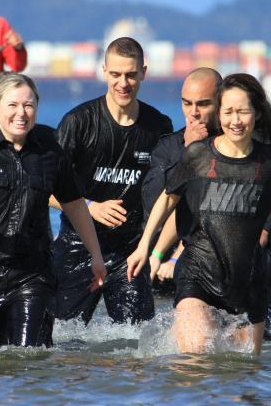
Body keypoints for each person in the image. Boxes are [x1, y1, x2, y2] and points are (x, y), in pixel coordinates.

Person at [0, 73, 106, 352]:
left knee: (30, 357)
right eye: (12, 105)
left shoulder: (50, 151)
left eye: (28, 105)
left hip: (32, 275)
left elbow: (74, 205)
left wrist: (96, 256)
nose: (21, 114)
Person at [127, 73, 271, 355]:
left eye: (243, 111)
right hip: (198, 274)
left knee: (242, 374)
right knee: (197, 359)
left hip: (248, 282)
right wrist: (146, 249)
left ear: (256, 113)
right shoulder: (198, 155)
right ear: (219, 115)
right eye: (228, 112)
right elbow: (169, 199)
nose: (235, 120)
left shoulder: (269, 162)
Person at [52, 37, 173, 326]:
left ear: (143, 72)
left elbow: (171, 192)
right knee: (60, 339)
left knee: (137, 343)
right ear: (104, 71)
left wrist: (153, 250)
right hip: (77, 245)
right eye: (116, 74)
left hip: (128, 252)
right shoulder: (78, 122)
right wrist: (89, 207)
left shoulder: (158, 127)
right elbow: (44, 188)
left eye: (131, 74)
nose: (123, 83)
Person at [142, 68, 222, 283]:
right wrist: (188, 151)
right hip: (166, 259)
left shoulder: (235, 147)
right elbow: (153, 202)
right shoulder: (169, 146)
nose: (193, 113)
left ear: (221, 103)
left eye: (203, 104)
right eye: (187, 103)